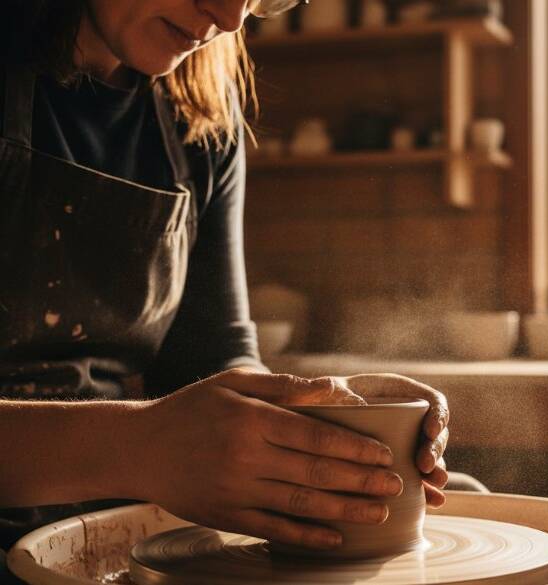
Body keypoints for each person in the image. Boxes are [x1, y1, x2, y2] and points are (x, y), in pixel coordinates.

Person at [0, 0, 451, 574]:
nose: (231, 17)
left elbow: (210, 363)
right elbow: (158, 440)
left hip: (111, 513)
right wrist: (137, 445)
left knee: (457, 494)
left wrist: (319, 420)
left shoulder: (200, 117)